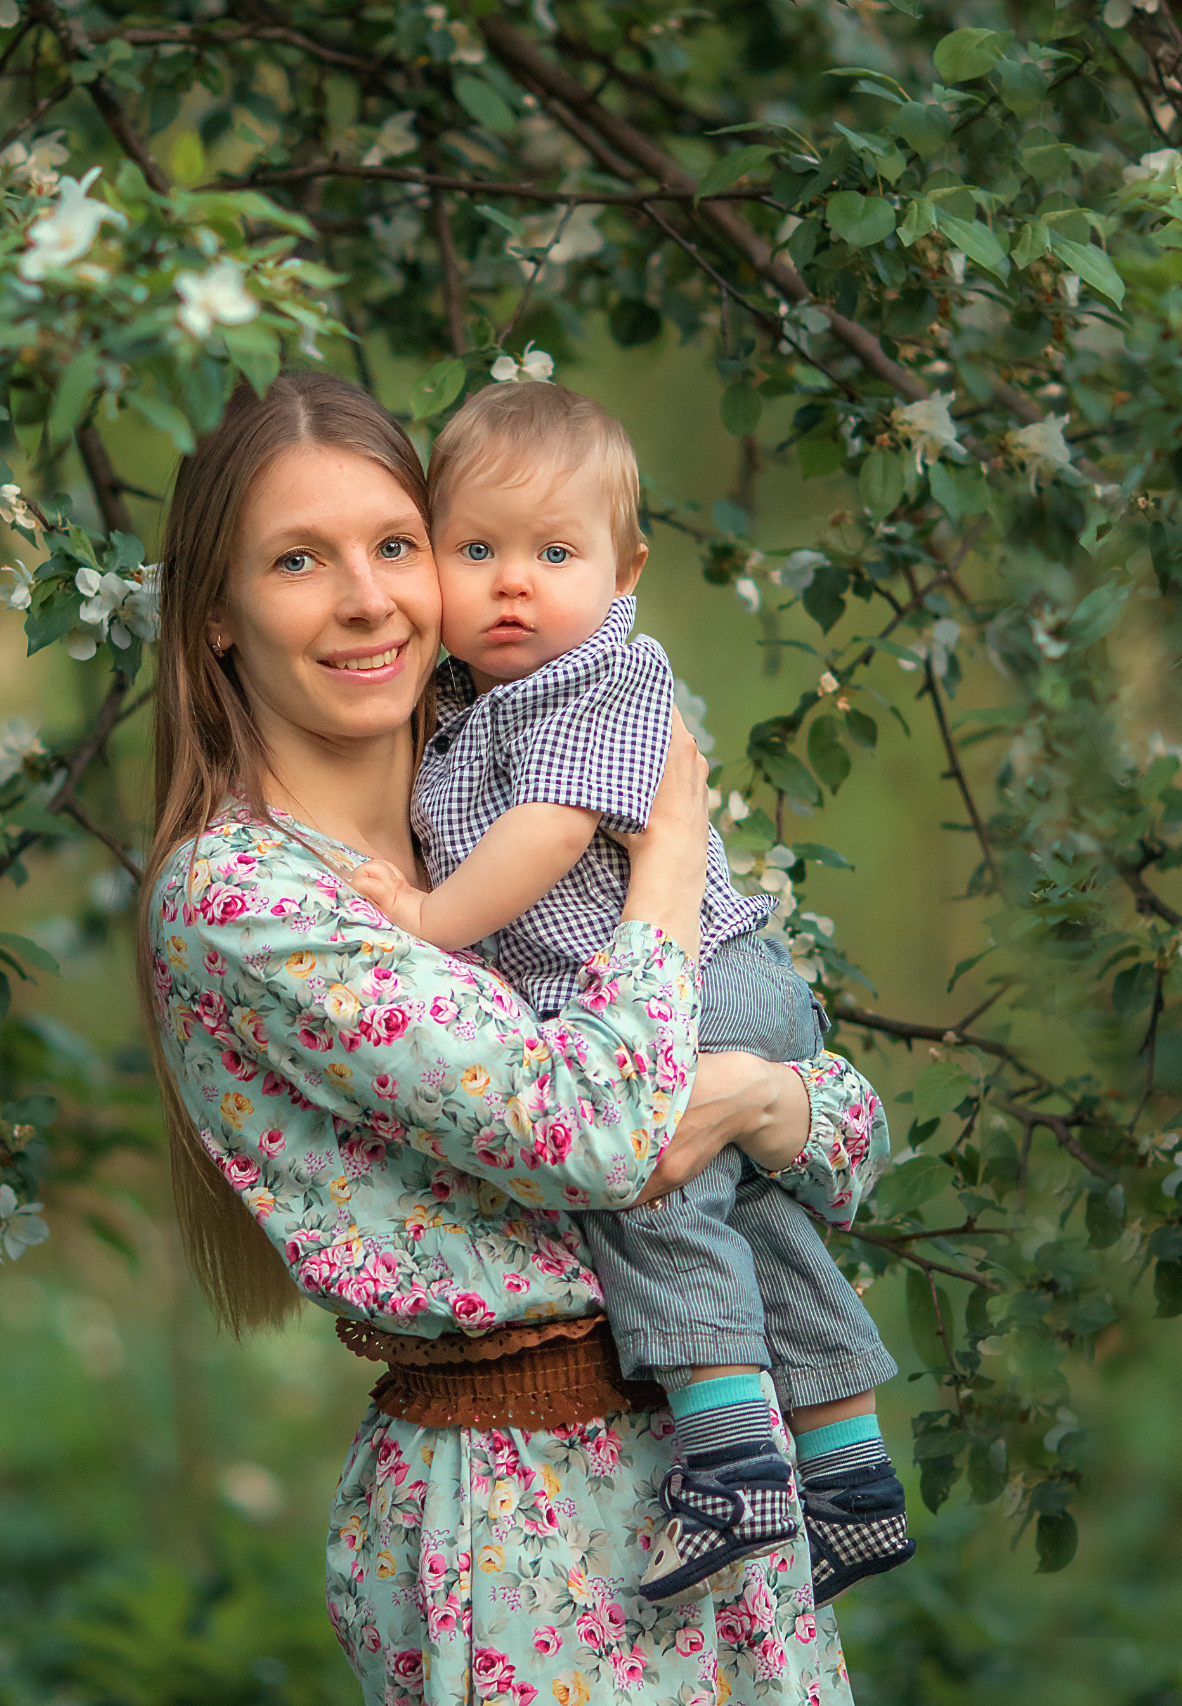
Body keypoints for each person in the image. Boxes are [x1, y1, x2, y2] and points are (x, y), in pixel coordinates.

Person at [136, 371, 895, 1704]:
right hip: (529, 1520)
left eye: (394, 545)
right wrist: (669, 850)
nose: (366, 598)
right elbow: (600, 1134)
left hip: (730, 1482)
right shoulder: (246, 898)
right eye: (298, 560)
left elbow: (844, 1136)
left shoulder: (500, 787)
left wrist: (759, 1104)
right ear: (216, 610)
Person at [342, 380, 913, 1605]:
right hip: (688, 989)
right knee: (755, 1217)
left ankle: (732, 1458)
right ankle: (852, 1470)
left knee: (643, 1181)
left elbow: (549, 832)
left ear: (626, 569)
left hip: (704, 983)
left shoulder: (599, 676)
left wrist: (430, 920)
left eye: (554, 554)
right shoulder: (469, 700)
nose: (512, 583)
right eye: (476, 550)